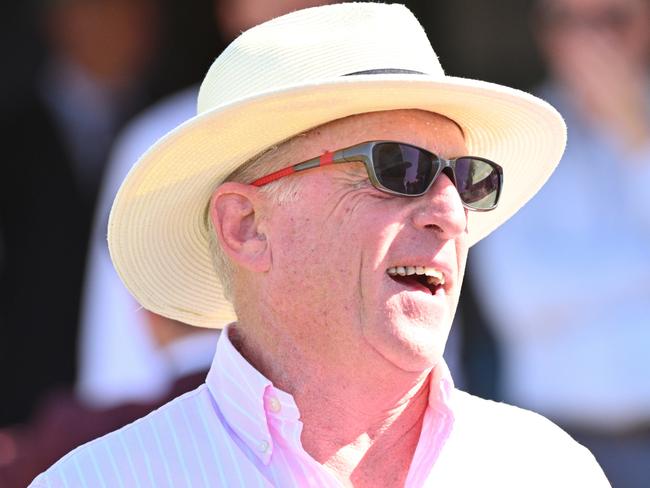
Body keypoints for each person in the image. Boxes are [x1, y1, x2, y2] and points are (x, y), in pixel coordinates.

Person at [30, 3, 610, 486]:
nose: (451, 214)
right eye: (398, 167)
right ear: (245, 226)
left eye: (466, 179)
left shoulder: (549, 470)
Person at [471, 0, 650, 485]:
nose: (592, 42)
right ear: (543, 32)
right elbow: (519, 296)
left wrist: (638, 137)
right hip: (551, 441)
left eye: (613, 19)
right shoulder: (518, 137)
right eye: (567, 22)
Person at [0, 0, 159, 426]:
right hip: (23, 402)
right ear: (57, 17)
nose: (122, 25)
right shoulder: (12, 139)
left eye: (135, 11)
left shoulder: (171, 130)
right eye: (100, 9)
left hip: (144, 401)